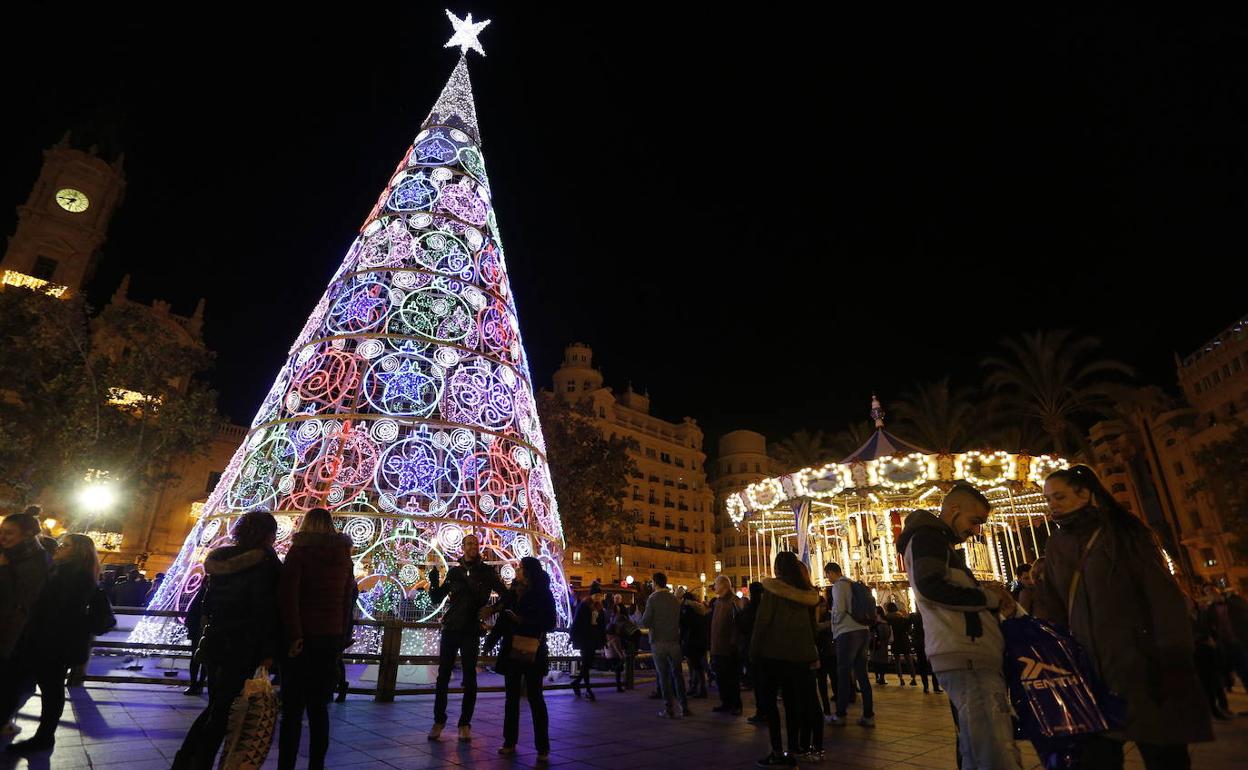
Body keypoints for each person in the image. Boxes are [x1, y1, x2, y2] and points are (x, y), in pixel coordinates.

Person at [1034, 465, 1213, 770]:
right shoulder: (1057, 545)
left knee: (1162, 750)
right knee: (1097, 757)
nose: (1053, 504)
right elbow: (1051, 606)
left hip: (1141, 663)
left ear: (1085, 493)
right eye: (1049, 498)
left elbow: (1162, 596)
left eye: (1060, 496)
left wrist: (1173, 656)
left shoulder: (1124, 533)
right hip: (1089, 671)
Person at [895, 482, 1023, 770]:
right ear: (953, 510)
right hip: (966, 654)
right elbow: (931, 586)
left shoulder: (938, 542)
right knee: (992, 745)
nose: (976, 530)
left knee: (975, 744)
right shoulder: (929, 538)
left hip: (968, 652)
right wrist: (988, 597)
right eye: (974, 520)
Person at [172, 510, 282, 770]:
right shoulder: (267, 564)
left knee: (217, 705)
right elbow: (267, 611)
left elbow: (206, 604)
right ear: (268, 535)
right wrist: (269, 652)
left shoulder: (219, 562)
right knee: (223, 710)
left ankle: (188, 760)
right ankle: (196, 761)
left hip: (216, 642)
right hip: (246, 646)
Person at [1, 533, 97, 754]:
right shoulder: (63, 571)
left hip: (52, 645)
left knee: (50, 691)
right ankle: (40, 736)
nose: (59, 548)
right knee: (35, 687)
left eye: (66, 545)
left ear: (79, 550)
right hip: (45, 642)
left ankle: (44, 737)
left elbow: (59, 611)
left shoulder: (76, 576)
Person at [276, 508, 356, 770]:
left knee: (292, 711)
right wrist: (343, 635)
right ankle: (317, 765)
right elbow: (348, 599)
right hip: (330, 638)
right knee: (319, 708)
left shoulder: (299, 552)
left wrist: (294, 635)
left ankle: (286, 765)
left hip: (303, 638)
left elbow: (288, 596)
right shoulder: (344, 557)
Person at [427, 532, 505, 742]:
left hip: (470, 630)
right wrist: (433, 582)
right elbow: (436, 598)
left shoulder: (487, 572)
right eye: (468, 543)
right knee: (443, 676)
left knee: (470, 677)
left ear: (478, 547)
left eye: (475, 543)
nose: (472, 546)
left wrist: (492, 609)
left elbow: (506, 596)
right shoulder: (454, 572)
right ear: (462, 547)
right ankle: (439, 720)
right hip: (451, 627)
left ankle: (464, 723)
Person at [750, 551, 820, 767]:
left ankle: (777, 750)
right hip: (799, 656)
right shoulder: (806, 594)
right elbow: (812, 627)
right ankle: (792, 750)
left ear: (778, 568)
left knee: (771, 704)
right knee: (793, 705)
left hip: (774, 655)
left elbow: (763, 622)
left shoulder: (773, 591)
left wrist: (754, 650)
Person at [486, 556, 556, 763]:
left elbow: (550, 622)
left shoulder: (543, 593)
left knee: (535, 698)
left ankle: (542, 747)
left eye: (520, 567)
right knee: (511, 698)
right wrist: (491, 640)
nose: (516, 570)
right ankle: (509, 742)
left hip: (533, 650)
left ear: (529, 571)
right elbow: (502, 618)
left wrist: (523, 620)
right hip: (512, 650)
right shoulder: (513, 592)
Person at [825, 562, 874, 727]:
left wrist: (835, 626)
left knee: (843, 673)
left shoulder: (839, 586)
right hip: (863, 629)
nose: (828, 579)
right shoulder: (853, 584)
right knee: (862, 674)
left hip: (847, 632)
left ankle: (840, 714)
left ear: (832, 572)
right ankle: (868, 715)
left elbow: (839, 609)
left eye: (828, 575)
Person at [642, 572, 689, 718]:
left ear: (654, 582)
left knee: (663, 676)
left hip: (658, 642)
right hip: (674, 641)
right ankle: (684, 706)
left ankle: (669, 708)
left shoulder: (652, 599)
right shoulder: (674, 599)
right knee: (677, 674)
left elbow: (646, 621)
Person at [709, 576, 743, 715]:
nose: (714, 587)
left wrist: (733, 643)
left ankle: (735, 704)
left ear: (723, 585)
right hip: (718, 647)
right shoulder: (718, 602)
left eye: (716, 584)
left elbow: (737, 624)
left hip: (729, 647)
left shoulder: (734, 601)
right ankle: (726, 702)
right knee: (721, 678)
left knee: (732, 678)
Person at [569, 585, 606, 701]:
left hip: (593, 638)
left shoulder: (600, 608)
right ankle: (588, 690)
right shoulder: (584, 606)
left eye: (600, 596)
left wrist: (603, 640)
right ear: (591, 595)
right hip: (585, 638)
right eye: (596, 595)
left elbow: (602, 626)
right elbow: (576, 621)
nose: (598, 597)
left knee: (587, 664)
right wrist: (572, 636)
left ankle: (576, 682)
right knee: (586, 663)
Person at [738, 581, 766, 724]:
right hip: (766, 650)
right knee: (765, 684)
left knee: (758, 684)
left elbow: (742, 626)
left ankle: (762, 712)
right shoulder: (766, 607)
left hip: (753, 649)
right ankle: (766, 711)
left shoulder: (750, 609)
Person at [681, 591, 710, 698]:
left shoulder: (688, 610)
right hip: (701, 641)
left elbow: (685, 626)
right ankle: (699, 687)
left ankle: (698, 688)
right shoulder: (701, 609)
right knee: (699, 665)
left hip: (692, 641)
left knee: (694, 666)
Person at [813, 595, 837, 720]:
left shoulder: (829, 615)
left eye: (823, 606)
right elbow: (816, 628)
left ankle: (837, 709)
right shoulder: (818, 618)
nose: (822, 608)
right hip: (823, 652)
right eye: (820, 606)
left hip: (830, 651)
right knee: (822, 681)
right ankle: (826, 709)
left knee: (834, 680)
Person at [183, 585, 209, 696]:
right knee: (203, 660)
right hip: (204, 630)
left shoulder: (204, 591)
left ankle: (195, 684)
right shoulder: (210, 592)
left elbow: (192, 612)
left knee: (197, 659)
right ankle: (198, 684)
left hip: (201, 630)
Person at [607, 604, 639, 692]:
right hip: (620, 648)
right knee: (621, 666)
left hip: (614, 649)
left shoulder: (614, 619)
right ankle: (624, 683)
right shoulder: (621, 619)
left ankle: (623, 683)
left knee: (620, 666)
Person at [884, 602, 917, 686]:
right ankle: (913, 677)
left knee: (897, 660)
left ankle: (901, 678)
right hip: (904, 639)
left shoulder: (887, 619)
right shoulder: (901, 617)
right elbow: (908, 629)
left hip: (895, 641)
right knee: (908, 658)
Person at [909, 609, 939, 693]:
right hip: (929, 642)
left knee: (923, 665)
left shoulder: (914, 616)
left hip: (920, 643)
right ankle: (935, 686)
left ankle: (926, 686)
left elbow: (910, 629)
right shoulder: (930, 615)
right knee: (933, 665)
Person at [870, 606, 893, 685]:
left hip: (878, 644)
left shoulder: (876, 623)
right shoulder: (884, 622)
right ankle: (880, 677)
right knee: (879, 661)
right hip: (878, 644)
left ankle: (880, 677)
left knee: (878, 661)